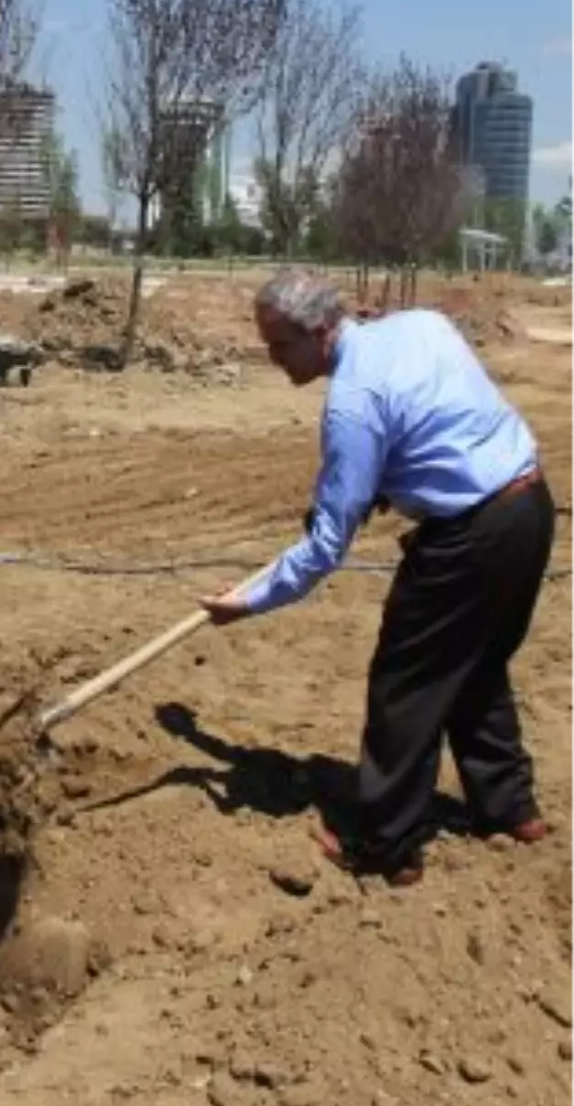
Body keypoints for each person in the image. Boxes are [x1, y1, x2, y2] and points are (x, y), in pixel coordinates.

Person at [200, 269, 554, 887]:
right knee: (476, 664)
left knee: (406, 682)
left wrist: (250, 599)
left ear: (320, 332)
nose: (274, 358)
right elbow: (439, 419)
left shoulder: (352, 406)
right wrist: (387, 481)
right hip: (527, 510)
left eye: (281, 345)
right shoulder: (422, 325)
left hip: (468, 538)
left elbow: (326, 547)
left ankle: (387, 845)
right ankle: (510, 810)